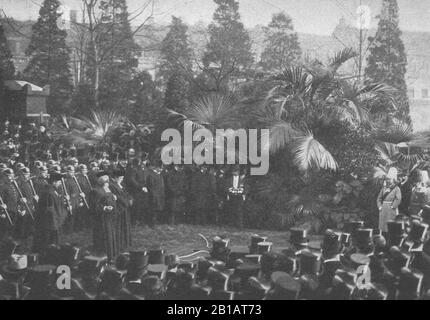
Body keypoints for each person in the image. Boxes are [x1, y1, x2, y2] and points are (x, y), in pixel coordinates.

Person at [32, 172, 68, 254]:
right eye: (59, 182)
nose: (60, 184)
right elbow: (49, 210)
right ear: (54, 182)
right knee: (47, 241)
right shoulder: (48, 192)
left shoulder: (52, 191)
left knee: (51, 242)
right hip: (50, 223)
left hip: (54, 221)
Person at [90, 172, 119, 263]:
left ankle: (112, 254)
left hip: (110, 217)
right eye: (106, 181)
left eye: (108, 181)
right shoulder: (95, 191)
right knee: (104, 237)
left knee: (111, 235)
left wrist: (114, 198)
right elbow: (94, 205)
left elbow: (109, 198)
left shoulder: (107, 189)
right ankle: (105, 256)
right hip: (102, 218)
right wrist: (104, 208)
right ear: (101, 182)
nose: (108, 183)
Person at [110, 168, 132, 252]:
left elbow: (126, 193)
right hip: (119, 209)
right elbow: (117, 197)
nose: (122, 180)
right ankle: (119, 245)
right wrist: (126, 201)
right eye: (121, 178)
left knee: (124, 226)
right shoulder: (112, 185)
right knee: (119, 227)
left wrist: (130, 199)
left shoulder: (119, 184)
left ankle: (124, 243)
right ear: (116, 177)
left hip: (124, 208)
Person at [377, 168, 402, 234]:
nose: (388, 181)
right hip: (383, 208)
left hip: (391, 208)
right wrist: (380, 206)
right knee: (382, 225)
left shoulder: (397, 188)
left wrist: (393, 206)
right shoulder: (384, 188)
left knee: (390, 225)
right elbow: (379, 198)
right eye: (388, 179)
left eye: (390, 179)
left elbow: (398, 198)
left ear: (394, 180)